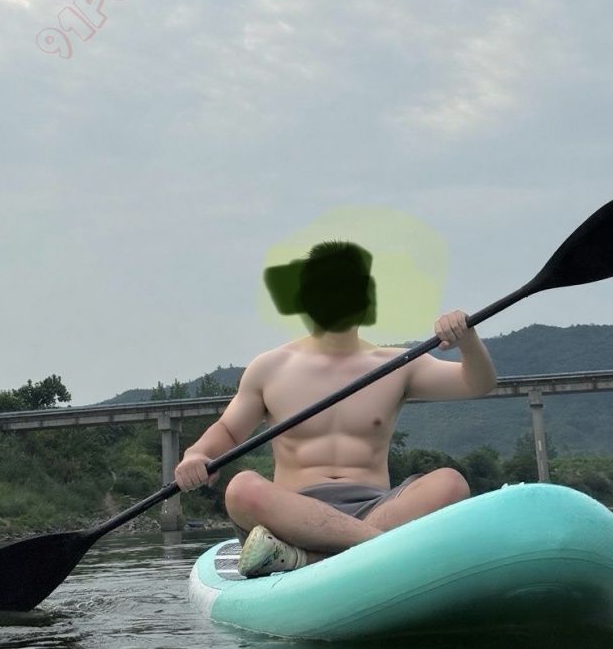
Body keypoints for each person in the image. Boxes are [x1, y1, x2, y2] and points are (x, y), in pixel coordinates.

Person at [175, 240, 497, 578]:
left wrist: (468, 341)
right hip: (292, 516)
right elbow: (228, 431)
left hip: (378, 508)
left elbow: (476, 383)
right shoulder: (269, 368)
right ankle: (380, 548)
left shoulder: (399, 364)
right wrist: (197, 454)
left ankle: (309, 558)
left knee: (450, 483)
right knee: (241, 488)